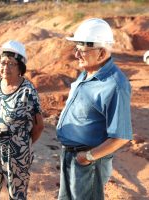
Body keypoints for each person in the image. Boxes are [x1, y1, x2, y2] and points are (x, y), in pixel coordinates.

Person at [56, 18, 133, 200]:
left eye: (82, 51)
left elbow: (121, 136)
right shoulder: (87, 73)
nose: (76, 55)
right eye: (76, 49)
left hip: (88, 163)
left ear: (101, 53)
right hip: (71, 157)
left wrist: (88, 157)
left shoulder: (114, 85)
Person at [0, 40, 44, 200]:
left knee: (17, 195)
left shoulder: (28, 91)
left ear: (20, 67)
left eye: (11, 64)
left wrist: (23, 144)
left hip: (17, 150)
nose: (5, 67)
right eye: (3, 63)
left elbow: (39, 126)